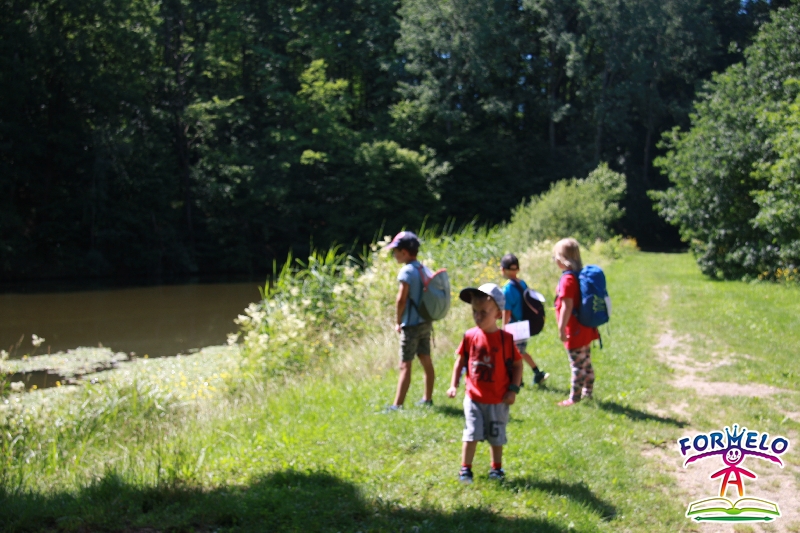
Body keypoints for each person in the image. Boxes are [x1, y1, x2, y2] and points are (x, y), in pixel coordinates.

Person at [447, 283, 523, 483]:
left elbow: (518, 365)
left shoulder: (506, 340)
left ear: (498, 314)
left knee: (496, 436)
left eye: (483, 312)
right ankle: (465, 469)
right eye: (474, 311)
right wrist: (454, 385)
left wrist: (513, 390)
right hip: (473, 397)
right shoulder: (470, 336)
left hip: (498, 399)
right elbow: (461, 361)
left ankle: (496, 469)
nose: (478, 317)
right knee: (471, 433)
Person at [385, 231, 435, 411]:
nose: (394, 255)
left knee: (405, 364)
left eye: (396, 251)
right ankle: (427, 399)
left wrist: (398, 321)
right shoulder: (424, 269)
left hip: (411, 324)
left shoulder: (406, 271)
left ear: (404, 252)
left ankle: (397, 405)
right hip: (425, 322)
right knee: (425, 358)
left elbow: (401, 300)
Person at [553, 238, 599, 407]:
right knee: (585, 361)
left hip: (574, 330)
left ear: (561, 259)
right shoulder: (580, 275)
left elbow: (567, 306)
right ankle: (588, 392)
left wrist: (561, 329)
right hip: (586, 327)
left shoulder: (567, 279)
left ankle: (575, 398)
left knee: (577, 365)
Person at [500, 253, 548, 386]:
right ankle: (536, 373)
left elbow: (507, 312)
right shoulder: (522, 283)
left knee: (514, 354)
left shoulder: (507, 289)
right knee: (519, 351)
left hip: (514, 325)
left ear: (503, 269)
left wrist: (504, 329)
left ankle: (519, 380)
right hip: (525, 323)